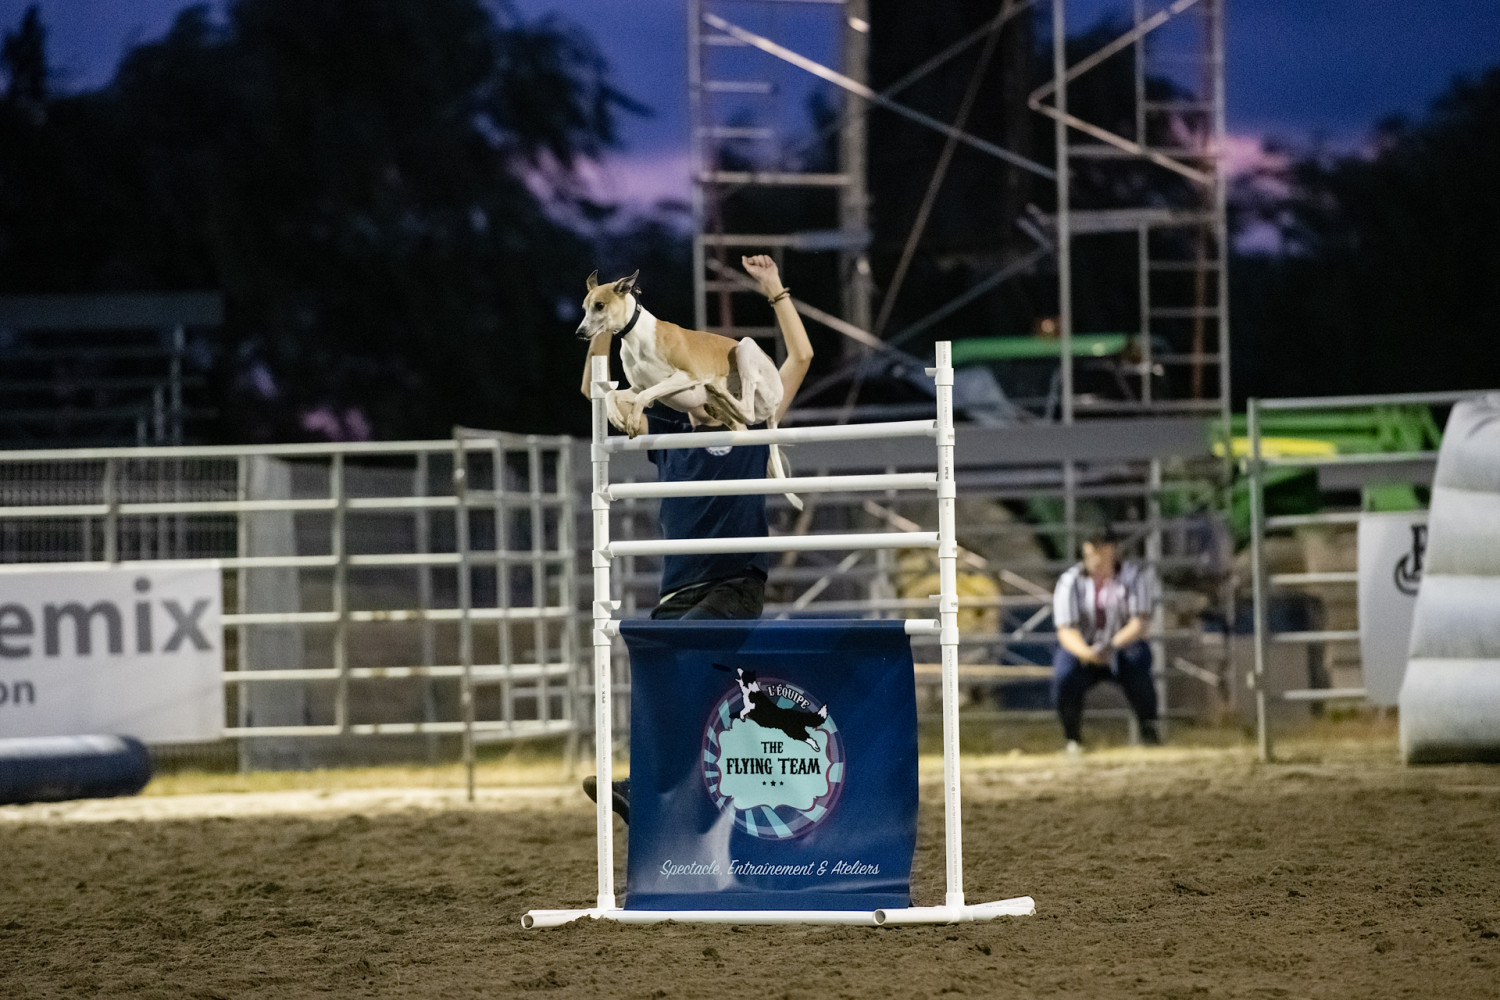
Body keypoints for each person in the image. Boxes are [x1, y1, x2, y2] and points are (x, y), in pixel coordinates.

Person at [578, 254, 814, 819]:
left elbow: (801, 357)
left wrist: (775, 290)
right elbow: (594, 389)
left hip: (735, 583)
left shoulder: (751, 426)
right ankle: (661, 790)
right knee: (661, 676)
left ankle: (669, 785)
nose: (704, 388)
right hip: (677, 586)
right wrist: (606, 319)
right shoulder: (664, 428)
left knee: (684, 658)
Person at [1051, 527, 1161, 753]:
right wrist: (1087, 653)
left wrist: (1111, 646)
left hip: (1122, 646)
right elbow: (1066, 630)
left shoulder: (1132, 577)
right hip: (1085, 649)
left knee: (1138, 661)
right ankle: (1073, 738)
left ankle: (1148, 729)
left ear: (1113, 550)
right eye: (1092, 551)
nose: (1097, 558)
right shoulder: (1070, 581)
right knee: (1065, 674)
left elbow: (1139, 623)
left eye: (1102, 550)